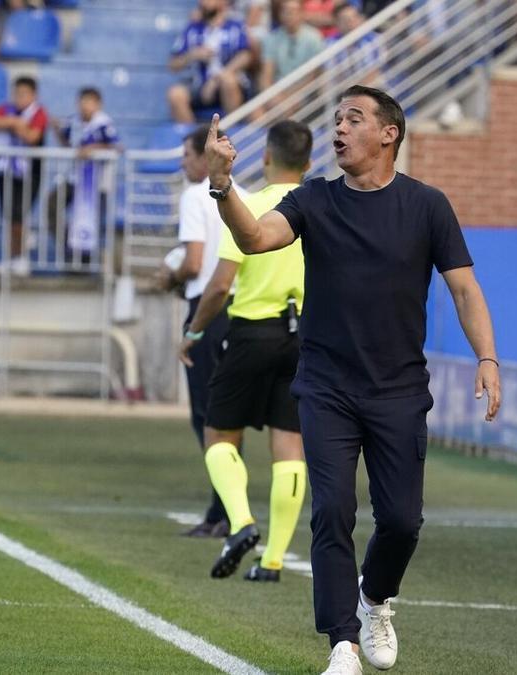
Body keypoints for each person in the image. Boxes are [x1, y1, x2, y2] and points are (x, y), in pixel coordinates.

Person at [203, 85, 500, 674]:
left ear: (389, 134)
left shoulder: (428, 206)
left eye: (354, 118)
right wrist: (222, 186)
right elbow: (255, 238)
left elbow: (464, 288)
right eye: (336, 118)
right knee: (332, 510)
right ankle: (341, 643)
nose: (338, 127)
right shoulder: (314, 200)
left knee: (400, 521)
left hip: (399, 390)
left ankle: (374, 601)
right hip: (326, 386)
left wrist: (487, 359)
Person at [181, 119, 313, 582]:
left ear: (266, 158)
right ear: (310, 163)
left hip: (251, 332)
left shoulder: (251, 206)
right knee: (290, 446)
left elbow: (219, 285)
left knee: (219, 434)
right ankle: (272, 561)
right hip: (302, 338)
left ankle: (240, 523)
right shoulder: (317, 209)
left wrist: (195, 333)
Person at [159, 124, 246, 539]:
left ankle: (223, 510)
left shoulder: (196, 195)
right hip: (242, 309)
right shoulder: (243, 194)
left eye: (187, 155)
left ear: (203, 156)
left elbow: (194, 263)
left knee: (207, 416)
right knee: (230, 413)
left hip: (207, 309)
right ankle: (228, 510)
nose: (183, 162)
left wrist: (168, 276)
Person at [0, 76, 49, 277]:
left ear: (34, 95)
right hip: (5, 170)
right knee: (8, 216)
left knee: (18, 215)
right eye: (17, 93)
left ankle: (21, 257)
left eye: (24, 94)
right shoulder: (8, 109)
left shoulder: (39, 113)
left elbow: (32, 136)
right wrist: (14, 122)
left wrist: (12, 125)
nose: (20, 98)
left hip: (29, 173)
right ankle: (13, 257)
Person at [48, 87, 120, 264]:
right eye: (82, 101)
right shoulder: (74, 122)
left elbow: (117, 147)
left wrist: (94, 149)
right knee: (52, 206)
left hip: (97, 183)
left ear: (98, 104)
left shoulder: (103, 123)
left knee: (93, 222)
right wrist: (56, 129)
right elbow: (67, 145)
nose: (85, 106)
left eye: (90, 102)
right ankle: (69, 246)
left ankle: (86, 262)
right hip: (74, 178)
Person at [167, 0, 254, 125]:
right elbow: (173, 64)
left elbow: (246, 56)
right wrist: (192, 55)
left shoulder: (235, 26)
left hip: (227, 84)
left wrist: (217, 79)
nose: (203, 2)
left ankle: (232, 133)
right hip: (199, 85)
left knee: (228, 81)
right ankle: (194, 139)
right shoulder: (193, 28)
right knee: (175, 94)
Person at [260, 0, 326, 92]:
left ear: (302, 13)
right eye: (285, 11)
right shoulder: (271, 38)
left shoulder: (314, 37)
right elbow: (266, 77)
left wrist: (294, 99)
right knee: (257, 107)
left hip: (306, 94)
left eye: (293, 11)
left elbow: (313, 76)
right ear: (279, 15)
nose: (289, 14)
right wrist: (275, 99)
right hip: (278, 92)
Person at [330, 3, 385, 87]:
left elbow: (374, 73)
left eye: (355, 17)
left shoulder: (374, 39)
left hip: (373, 89)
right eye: (346, 20)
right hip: (345, 92)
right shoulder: (330, 45)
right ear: (337, 24)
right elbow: (336, 77)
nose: (351, 22)